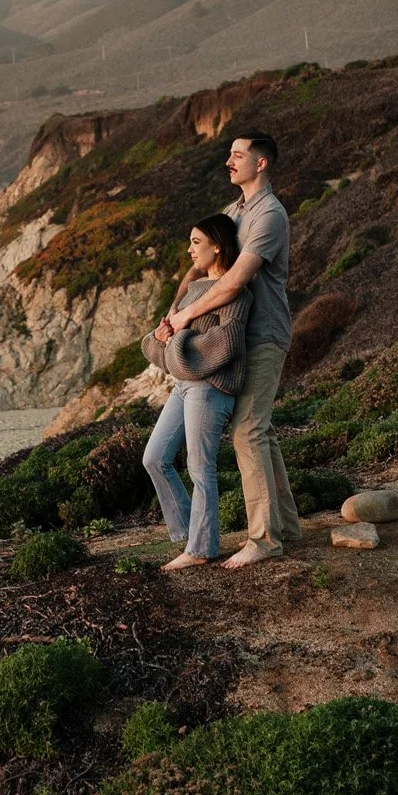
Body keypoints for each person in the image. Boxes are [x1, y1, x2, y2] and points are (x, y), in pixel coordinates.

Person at [160, 131, 302, 568]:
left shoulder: (269, 215)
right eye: (229, 155)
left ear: (261, 163)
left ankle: (265, 540)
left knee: (248, 431)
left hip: (262, 336)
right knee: (261, 431)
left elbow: (236, 280)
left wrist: (187, 316)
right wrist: (174, 311)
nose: (229, 161)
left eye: (238, 155)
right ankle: (287, 527)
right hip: (233, 337)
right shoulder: (232, 211)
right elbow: (201, 265)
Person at [139, 215, 250, 570]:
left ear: (217, 246)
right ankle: (191, 535)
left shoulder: (235, 291)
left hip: (211, 388)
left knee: (200, 468)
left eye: (196, 242)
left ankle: (201, 548)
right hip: (184, 385)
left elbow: (227, 341)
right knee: (154, 457)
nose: (189, 249)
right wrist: (162, 338)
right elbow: (162, 349)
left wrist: (177, 340)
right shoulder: (193, 289)